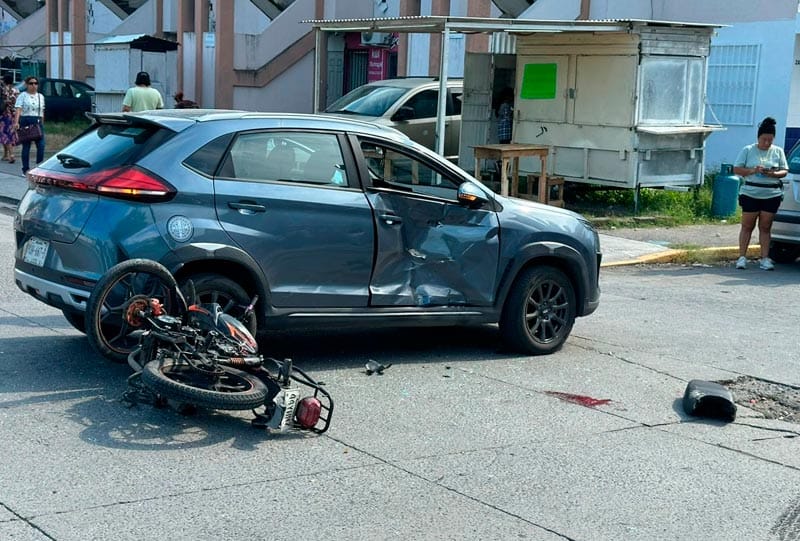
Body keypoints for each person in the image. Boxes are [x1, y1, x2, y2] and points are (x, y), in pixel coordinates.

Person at [732, 116, 788, 271]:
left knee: (765, 226)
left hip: (771, 193)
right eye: (764, 139)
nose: (767, 143)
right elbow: (737, 169)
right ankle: (742, 257)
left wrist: (773, 174)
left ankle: (765, 258)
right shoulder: (748, 150)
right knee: (747, 225)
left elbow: (784, 170)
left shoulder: (778, 151)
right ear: (758, 137)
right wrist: (753, 170)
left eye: (770, 140)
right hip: (750, 192)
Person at [13, 75, 45, 175]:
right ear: (27, 84)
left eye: (36, 83)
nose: (33, 85)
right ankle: (25, 169)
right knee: (26, 146)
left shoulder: (40, 96)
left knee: (41, 145)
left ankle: (38, 167)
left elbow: (42, 110)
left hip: (37, 121)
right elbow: (18, 109)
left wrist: (42, 123)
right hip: (26, 120)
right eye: (31, 83)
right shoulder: (23, 95)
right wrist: (16, 122)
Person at [0, 74, 19, 163]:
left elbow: (3, 102)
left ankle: (11, 155)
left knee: (4, 134)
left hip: (5, 115)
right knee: (10, 134)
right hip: (14, 115)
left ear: (4, 81)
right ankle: (5, 154)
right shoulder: (16, 90)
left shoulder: (4, 91)